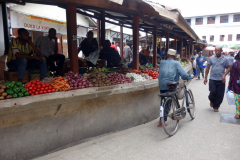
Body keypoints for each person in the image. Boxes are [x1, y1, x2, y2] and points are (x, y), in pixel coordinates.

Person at [158, 49, 192, 127]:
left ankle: (161, 119)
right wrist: (189, 76)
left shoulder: (162, 62)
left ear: (167, 55)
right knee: (169, 102)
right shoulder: (176, 63)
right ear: (174, 56)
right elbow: (183, 75)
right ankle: (163, 121)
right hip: (170, 84)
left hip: (161, 84)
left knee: (162, 101)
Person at [204, 45, 231, 112]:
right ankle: (211, 100)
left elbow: (228, 68)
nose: (217, 52)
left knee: (220, 94)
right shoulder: (211, 58)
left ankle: (216, 106)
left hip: (221, 80)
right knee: (212, 92)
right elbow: (207, 67)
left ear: (221, 51)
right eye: (216, 51)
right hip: (212, 79)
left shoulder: (225, 59)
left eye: (218, 51)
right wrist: (205, 78)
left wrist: (224, 75)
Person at [228, 51, 240, 119]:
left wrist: (230, 86)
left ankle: (238, 114)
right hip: (237, 85)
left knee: (238, 100)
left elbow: (232, 76)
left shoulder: (235, 64)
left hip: (237, 85)